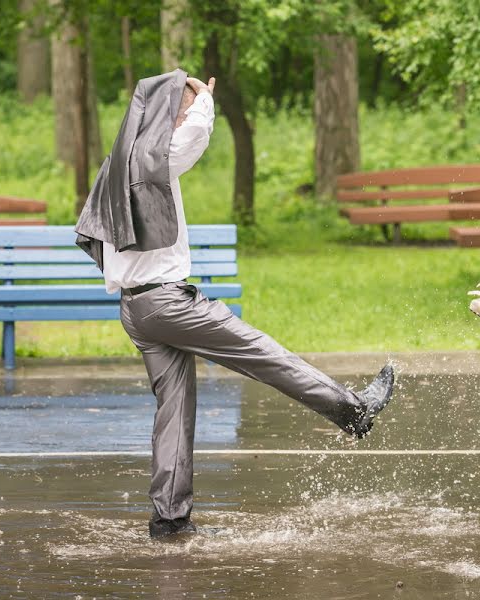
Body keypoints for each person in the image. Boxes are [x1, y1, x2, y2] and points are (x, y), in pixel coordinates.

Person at [74, 70, 395, 538]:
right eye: (177, 108)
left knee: (174, 409)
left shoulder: (118, 163)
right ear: (165, 113)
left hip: (136, 309)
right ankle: (353, 411)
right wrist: (204, 100)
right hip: (167, 303)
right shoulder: (151, 158)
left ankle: (169, 519)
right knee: (261, 353)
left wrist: (192, 102)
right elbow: (193, 139)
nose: (183, 115)